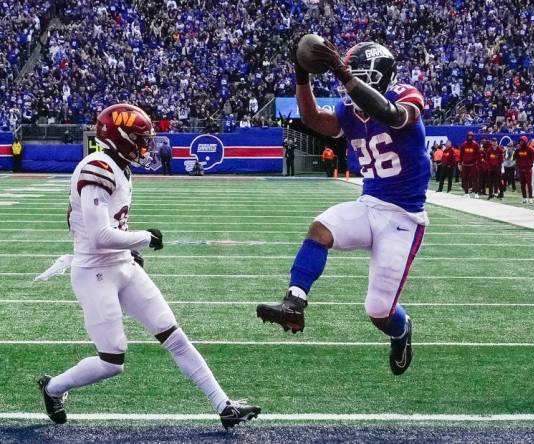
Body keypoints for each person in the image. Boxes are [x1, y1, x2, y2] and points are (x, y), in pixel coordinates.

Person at [38, 103, 259, 427]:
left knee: (174, 335)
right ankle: (53, 388)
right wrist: (144, 238)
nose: (146, 146)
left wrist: (131, 246)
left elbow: (112, 226)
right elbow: (99, 235)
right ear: (121, 138)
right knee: (113, 361)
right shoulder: (97, 168)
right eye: (140, 139)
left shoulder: (119, 166)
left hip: (123, 266)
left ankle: (224, 406)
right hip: (94, 273)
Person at [256, 39, 429, 376]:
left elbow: (390, 115)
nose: (347, 81)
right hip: (370, 203)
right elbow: (311, 118)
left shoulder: (405, 94)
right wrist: (301, 74)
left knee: (379, 312)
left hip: (403, 217)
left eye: (356, 74)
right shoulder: (348, 109)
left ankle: (402, 329)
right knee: (321, 227)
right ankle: (294, 302)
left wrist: (342, 72)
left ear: (377, 75)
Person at [459, 132, 480, 198]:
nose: (469, 137)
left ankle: (476, 193)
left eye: (471, 136)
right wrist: (460, 163)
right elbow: (461, 155)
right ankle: (466, 193)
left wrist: (475, 162)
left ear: (472, 136)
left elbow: (478, 155)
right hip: (465, 165)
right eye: (468, 136)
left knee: (475, 179)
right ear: (467, 136)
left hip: (472, 164)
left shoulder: (475, 145)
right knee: (465, 179)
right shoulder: (463, 145)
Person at [515, 136, 534, 204]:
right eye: (520, 141)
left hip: (528, 169)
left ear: (525, 141)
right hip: (520, 169)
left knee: (529, 184)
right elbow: (516, 158)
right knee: (522, 184)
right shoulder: (518, 150)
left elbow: (532, 160)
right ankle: (524, 198)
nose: (521, 142)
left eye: (522, 141)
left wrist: (528, 167)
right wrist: (519, 166)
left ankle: (530, 198)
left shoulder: (530, 150)